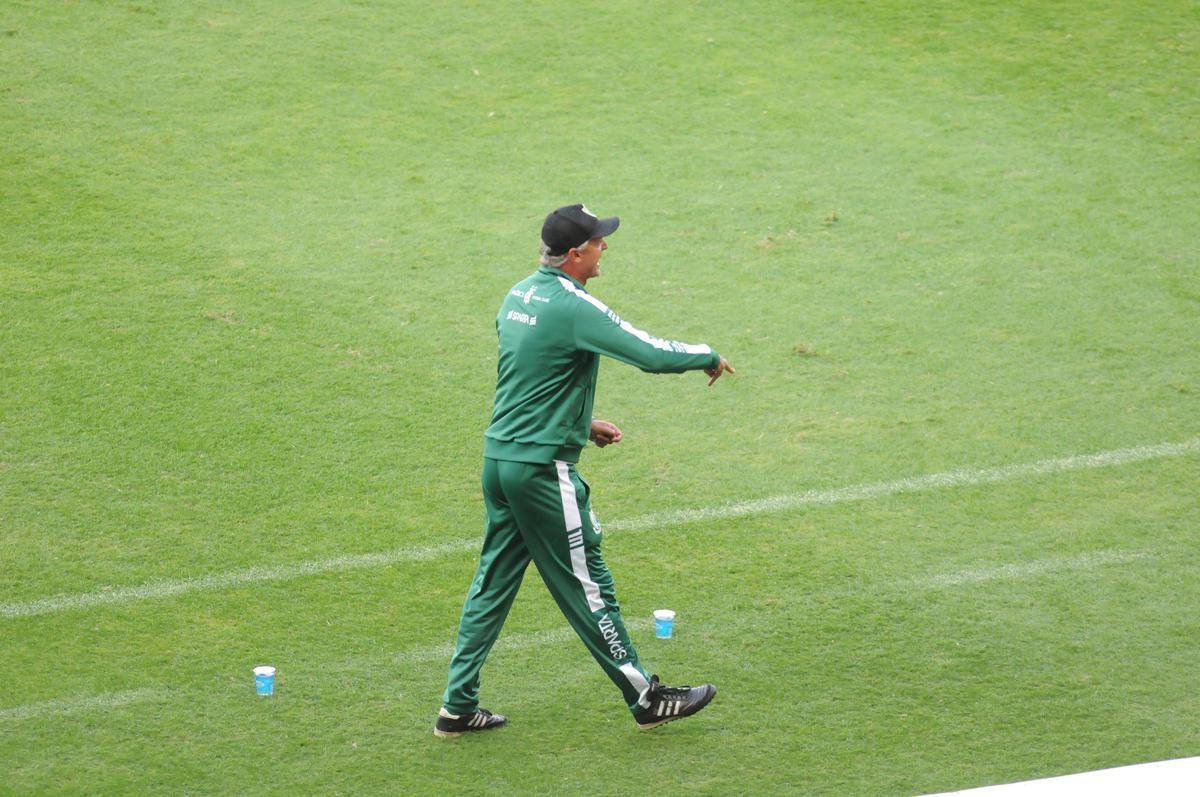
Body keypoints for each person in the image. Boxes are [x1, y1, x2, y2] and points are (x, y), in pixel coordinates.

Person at [434, 203, 736, 737]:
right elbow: (650, 353)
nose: (605, 249)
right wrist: (706, 353)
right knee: (588, 582)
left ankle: (457, 707)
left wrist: (579, 423)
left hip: (502, 460)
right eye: (598, 242)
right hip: (543, 473)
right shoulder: (573, 306)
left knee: (492, 584)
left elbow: (529, 375)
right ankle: (646, 697)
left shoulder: (519, 294)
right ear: (575, 254)